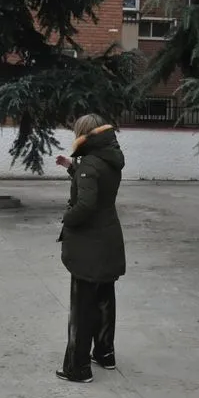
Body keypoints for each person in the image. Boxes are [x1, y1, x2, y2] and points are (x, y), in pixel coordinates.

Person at [53, 114, 127, 383]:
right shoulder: (109, 159)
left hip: (89, 245)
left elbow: (85, 204)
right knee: (105, 298)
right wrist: (73, 168)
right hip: (109, 239)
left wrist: (67, 216)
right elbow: (99, 182)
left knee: (82, 306)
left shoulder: (89, 165)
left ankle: (77, 367)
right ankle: (105, 353)